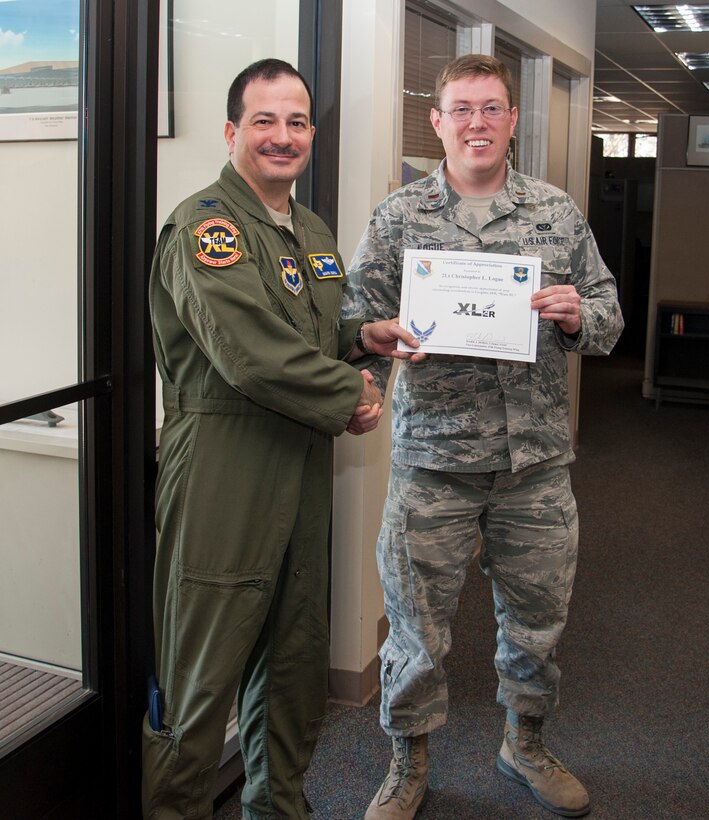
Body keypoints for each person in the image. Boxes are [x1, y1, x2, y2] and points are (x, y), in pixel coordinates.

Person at [342, 54, 624, 819]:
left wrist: (576, 314)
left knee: (535, 625)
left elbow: (607, 316)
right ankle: (407, 762)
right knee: (415, 632)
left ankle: (523, 744)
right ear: (436, 121)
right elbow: (349, 322)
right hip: (432, 463)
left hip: (532, 465)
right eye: (460, 108)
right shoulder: (399, 217)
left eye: (490, 108)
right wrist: (376, 332)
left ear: (510, 120)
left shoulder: (555, 214)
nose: (476, 122)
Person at [142, 58, 421, 820]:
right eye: (263, 120)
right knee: (202, 679)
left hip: (299, 466)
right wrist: (349, 393)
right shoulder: (206, 228)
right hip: (223, 470)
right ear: (232, 132)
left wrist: (360, 335)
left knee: (294, 668)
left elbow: (310, 330)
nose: (282, 136)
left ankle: (278, 809)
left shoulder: (308, 228)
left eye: (296, 121)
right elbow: (249, 352)